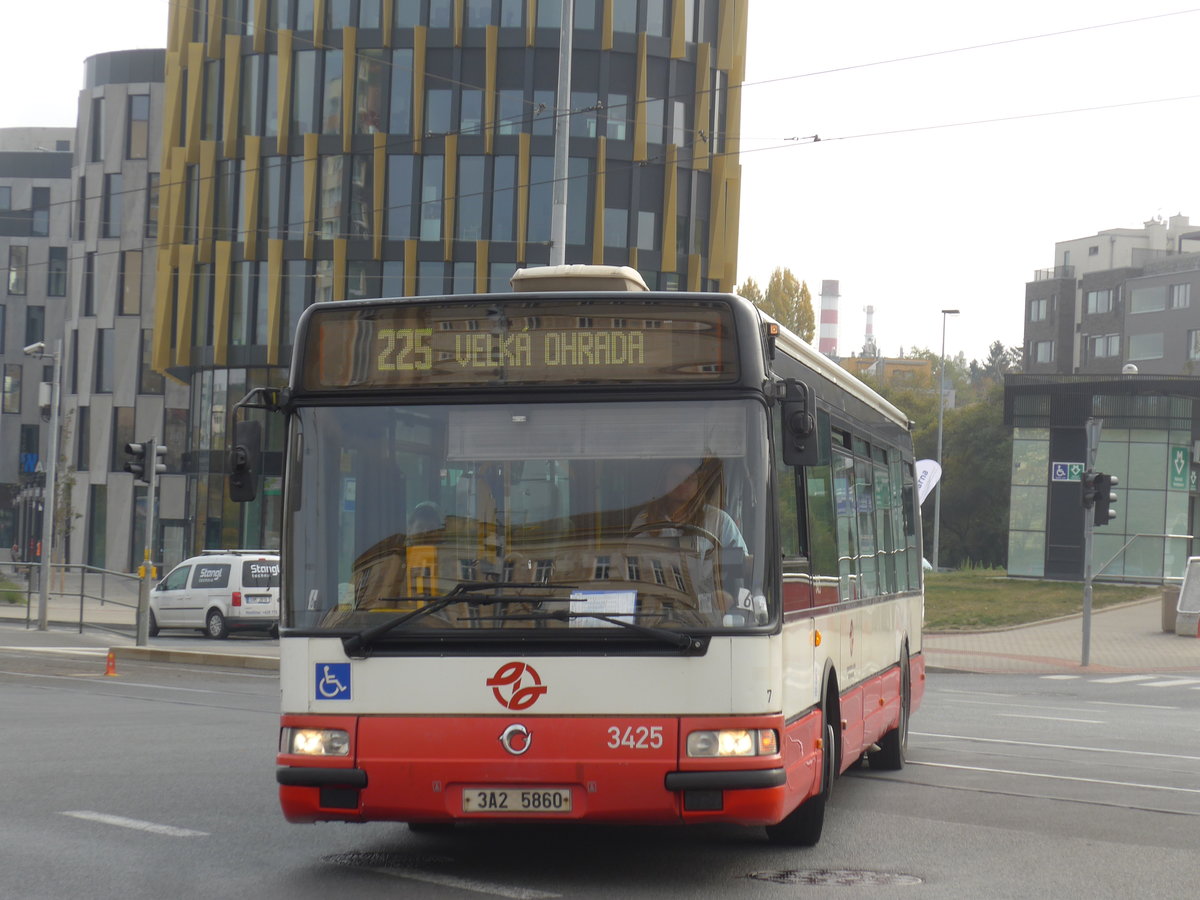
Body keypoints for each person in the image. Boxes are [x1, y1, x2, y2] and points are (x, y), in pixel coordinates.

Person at [631, 458, 746, 552]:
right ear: (664, 481)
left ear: (698, 485)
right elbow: (628, 561)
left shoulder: (719, 522)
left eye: (690, 479)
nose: (682, 484)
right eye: (676, 477)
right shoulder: (645, 520)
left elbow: (741, 567)